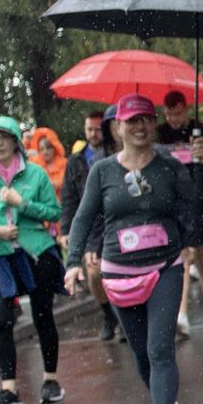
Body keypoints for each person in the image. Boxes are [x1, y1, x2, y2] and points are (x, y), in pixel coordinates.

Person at [63, 94, 201, 404]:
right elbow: (82, 217)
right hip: (119, 273)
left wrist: (200, 167)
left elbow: (194, 207)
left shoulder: (169, 167)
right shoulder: (103, 171)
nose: (140, 127)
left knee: (159, 348)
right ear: (118, 127)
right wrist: (73, 260)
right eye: (132, 121)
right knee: (141, 353)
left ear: (154, 124)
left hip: (165, 268)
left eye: (146, 120)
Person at [0, 116, 63, 404]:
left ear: (15, 141)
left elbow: (54, 212)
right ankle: (8, 387)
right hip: (0, 256)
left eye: (4, 137)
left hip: (36, 251)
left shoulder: (35, 174)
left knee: (42, 314)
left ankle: (51, 379)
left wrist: (21, 203)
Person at [157, 90, 203, 333]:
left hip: (199, 200)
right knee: (182, 258)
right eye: (168, 114)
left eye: (177, 113)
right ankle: (181, 313)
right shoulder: (161, 135)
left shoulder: (202, 132)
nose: (173, 119)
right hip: (174, 202)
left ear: (185, 109)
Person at [59, 109, 121, 341]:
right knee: (95, 273)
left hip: (115, 222)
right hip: (93, 226)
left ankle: (124, 315)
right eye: (89, 129)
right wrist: (66, 230)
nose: (94, 133)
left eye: (98, 128)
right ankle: (109, 314)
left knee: (118, 273)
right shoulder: (75, 161)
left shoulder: (115, 155)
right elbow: (70, 199)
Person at [26, 126, 66, 202]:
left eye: (48, 148)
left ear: (54, 148)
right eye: (42, 149)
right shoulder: (35, 164)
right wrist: (26, 141)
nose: (45, 152)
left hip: (63, 204)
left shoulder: (64, 163)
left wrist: (57, 184)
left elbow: (69, 183)